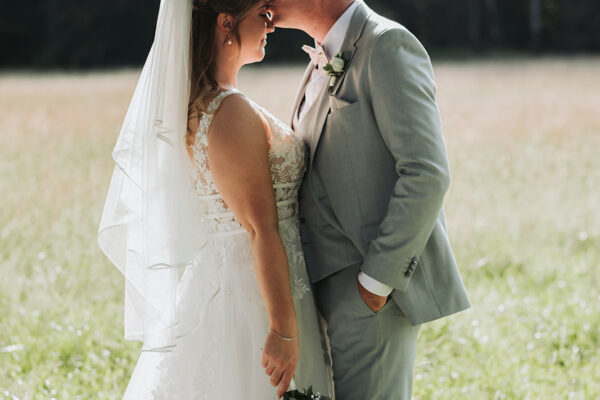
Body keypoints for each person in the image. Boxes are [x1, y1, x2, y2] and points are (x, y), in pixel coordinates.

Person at [98, 0, 333, 398]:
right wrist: (281, 328)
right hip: (253, 297)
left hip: (247, 279)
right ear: (227, 24)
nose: (270, 25)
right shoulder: (228, 111)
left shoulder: (209, 103)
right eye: (261, 14)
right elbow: (260, 228)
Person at [267, 0, 472, 398]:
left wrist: (376, 283)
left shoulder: (388, 45)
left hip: (367, 292)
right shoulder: (320, 56)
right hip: (318, 289)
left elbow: (426, 171)